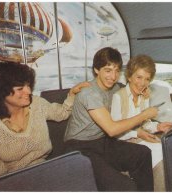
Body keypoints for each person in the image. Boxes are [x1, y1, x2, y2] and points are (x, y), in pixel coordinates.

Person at [0, 61, 89, 182]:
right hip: (12, 182)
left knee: (82, 165)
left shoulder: (36, 104)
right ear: (0, 92)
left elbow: (61, 113)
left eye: (28, 85)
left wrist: (72, 95)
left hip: (46, 171)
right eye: (20, 88)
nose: (29, 91)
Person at [64, 47, 158, 191]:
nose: (113, 76)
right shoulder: (89, 93)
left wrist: (143, 90)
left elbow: (131, 87)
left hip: (102, 142)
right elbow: (112, 130)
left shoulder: (114, 88)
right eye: (108, 70)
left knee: (143, 153)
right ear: (96, 70)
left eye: (117, 71)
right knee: (121, 185)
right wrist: (145, 115)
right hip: (79, 146)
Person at [111, 55, 172, 191]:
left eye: (147, 79)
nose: (142, 83)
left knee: (168, 151)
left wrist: (158, 126)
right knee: (159, 156)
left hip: (139, 140)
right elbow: (115, 133)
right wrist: (137, 134)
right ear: (129, 77)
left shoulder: (143, 97)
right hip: (122, 143)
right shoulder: (118, 97)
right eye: (139, 77)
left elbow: (145, 124)